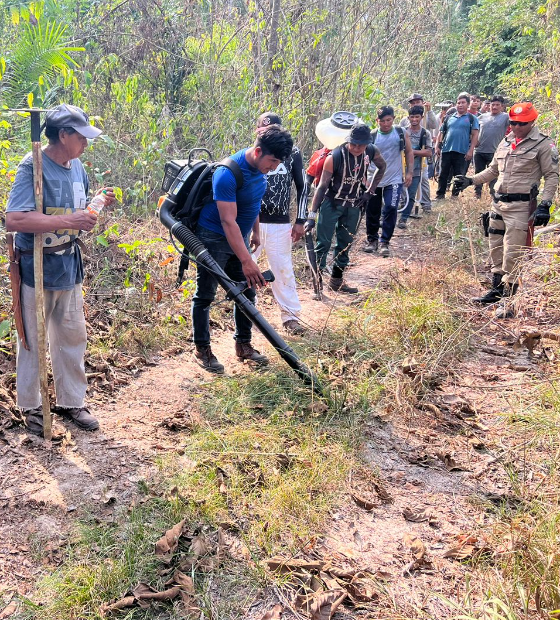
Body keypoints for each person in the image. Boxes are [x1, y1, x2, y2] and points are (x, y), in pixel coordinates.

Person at [5, 104, 116, 435]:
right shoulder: (33, 166)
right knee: (33, 339)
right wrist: (69, 220)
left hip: (69, 264)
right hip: (36, 266)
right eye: (81, 137)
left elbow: (79, 214)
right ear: (63, 135)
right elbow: (15, 218)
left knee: (71, 335)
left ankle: (71, 401)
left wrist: (91, 209)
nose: (86, 143)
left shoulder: (77, 166)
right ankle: (32, 406)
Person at [192, 124, 293, 373]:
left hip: (241, 236)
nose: (274, 168)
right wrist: (247, 260)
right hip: (214, 238)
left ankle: (243, 345)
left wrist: (256, 231)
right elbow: (227, 221)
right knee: (205, 294)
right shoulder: (227, 173)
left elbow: (252, 202)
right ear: (258, 151)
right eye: (272, 161)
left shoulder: (260, 169)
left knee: (247, 292)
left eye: (278, 163)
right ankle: (202, 348)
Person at [453, 102, 559, 316]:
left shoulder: (544, 144)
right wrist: (471, 180)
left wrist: (545, 205)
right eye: (513, 123)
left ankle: (509, 301)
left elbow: (552, 176)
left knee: (513, 252)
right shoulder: (506, 140)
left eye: (521, 124)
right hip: (498, 203)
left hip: (521, 206)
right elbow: (493, 170)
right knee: (496, 247)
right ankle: (496, 290)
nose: (517, 127)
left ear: (532, 122)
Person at [304, 123, 386, 293]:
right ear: (348, 140)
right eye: (353, 143)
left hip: (354, 204)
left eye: (360, 145)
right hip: (331, 203)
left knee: (345, 243)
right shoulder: (334, 157)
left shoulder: (371, 151)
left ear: (367, 144)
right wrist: (312, 215)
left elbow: (382, 166)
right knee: (323, 243)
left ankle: (336, 281)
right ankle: (317, 284)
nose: (356, 148)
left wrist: (370, 191)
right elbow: (322, 186)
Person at [251, 112, 308, 335]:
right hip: (251, 219)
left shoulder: (291, 153)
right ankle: (248, 315)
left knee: (282, 268)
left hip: (278, 221)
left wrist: (300, 220)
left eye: (273, 130)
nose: (269, 134)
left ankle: (290, 316)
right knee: (246, 268)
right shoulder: (255, 153)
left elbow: (303, 186)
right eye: (264, 132)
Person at [365, 106, 413, 256]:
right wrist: (364, 179)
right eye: (382, 121)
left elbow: (409, 151)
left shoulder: (400, 133)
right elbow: (363, 158)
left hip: (394, 179)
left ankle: (385, 242)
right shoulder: (371, 136)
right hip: (374, 179)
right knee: (372, 210)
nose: (386, 124)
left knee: (391, 208)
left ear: (393, 119)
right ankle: (372, 240)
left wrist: (410, 172)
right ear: (377, 120)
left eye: (389, 120)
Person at [434, 93, 479, 199]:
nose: (460, 105)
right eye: (458, 103)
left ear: (468, 104)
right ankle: (440, 194)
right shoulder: (449, 117)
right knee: (443, 173)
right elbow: (441, 133)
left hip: (462, 151)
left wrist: (471, 150)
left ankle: (455, 195)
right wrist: (437, 146)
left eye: (463, 103)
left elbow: (475, 135)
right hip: (446, 150)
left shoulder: (472, 118)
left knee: (459, 175)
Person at [400, 93, 437, 212]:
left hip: (421, 157)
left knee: (423, 179)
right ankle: (404, 203)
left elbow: (434, 125)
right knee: (404, 179)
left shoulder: (426, 117)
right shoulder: (404, 122)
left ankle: (426, 204)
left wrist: (429, 111)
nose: (415, 104)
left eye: (418, 102)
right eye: (412, 103)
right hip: (405, 159)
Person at [398, 105, 433, 229]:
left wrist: (412, 152)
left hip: (417, 168)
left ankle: (403, 218)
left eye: (417, 117)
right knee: (398, 193)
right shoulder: (402, 131)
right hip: (400, 167)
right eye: (412, 117)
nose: (414, 119)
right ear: (408, 118)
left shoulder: (425, 133)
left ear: (421, 117)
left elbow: (429, 152)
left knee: (411, 193)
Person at [473, 96, 510, 199]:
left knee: (494, 174)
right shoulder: (482, 117)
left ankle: (493, 194)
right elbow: (473, 130)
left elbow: (515, 126)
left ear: (502, 106)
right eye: (492, 105)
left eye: (497, 105)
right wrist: (473, 140)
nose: (494, 107)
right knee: (478, 172)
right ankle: (477, 193)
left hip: (495, 151)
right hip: (479, 150)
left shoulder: (505, 117)